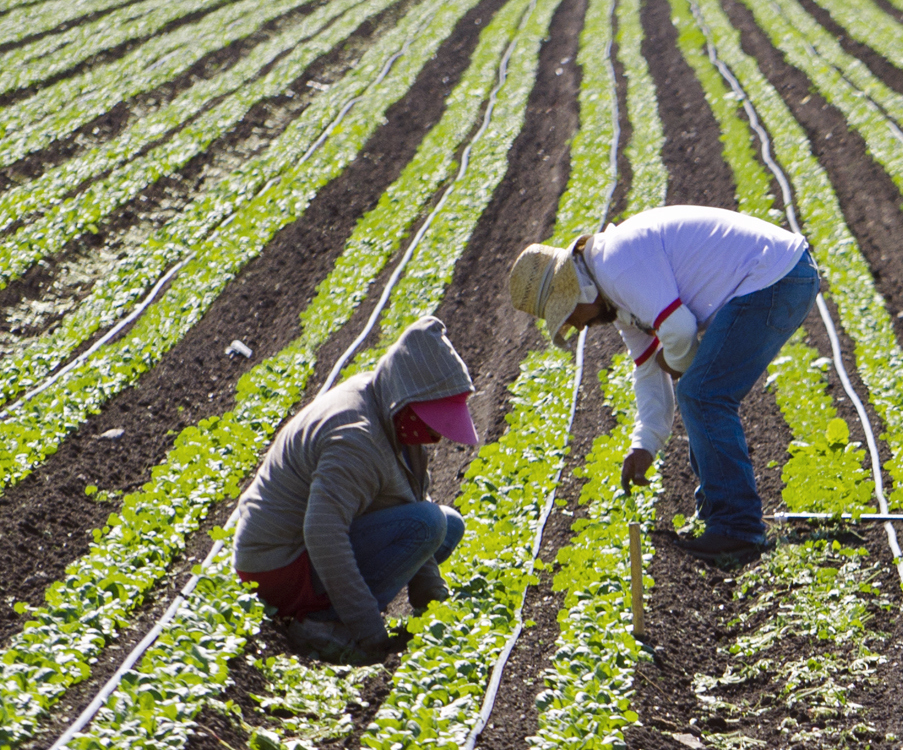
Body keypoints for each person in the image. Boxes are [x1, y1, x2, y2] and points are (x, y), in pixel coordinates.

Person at [507, 205, 821, 570]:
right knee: (699, 391)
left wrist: (677, 365)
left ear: (579, 290)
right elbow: (647, 367)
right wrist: (645, 443)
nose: (575, 327)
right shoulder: (615, 294)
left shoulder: (618, 265)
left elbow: (679, 331)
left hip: (775, 277)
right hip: (778, 274)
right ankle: (717, 516)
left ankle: (737, 527)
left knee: (702, 394)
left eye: (568, 315)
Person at [232, 316, 477, 666]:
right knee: (427, 525)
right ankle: (324, 622)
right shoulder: (356, 438)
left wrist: (433, 602)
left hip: (302, 551)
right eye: (432, 421)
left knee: (446, 524)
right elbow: (322, 532)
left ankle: (344, 609)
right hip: (279, 565)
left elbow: (410, 500)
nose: (437, 436)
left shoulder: (387, 402)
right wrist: (369, 631)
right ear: (409, 401)